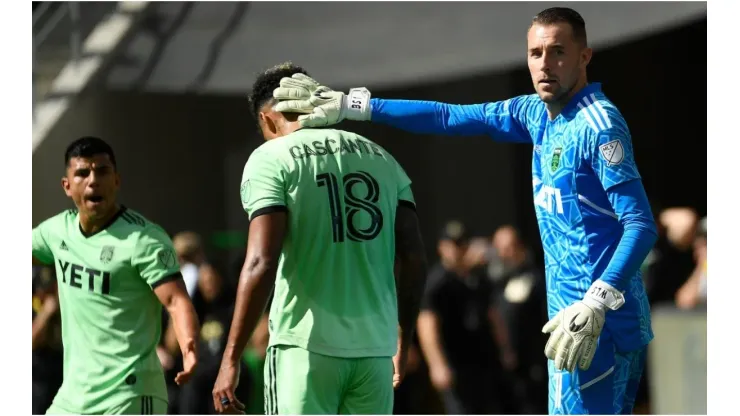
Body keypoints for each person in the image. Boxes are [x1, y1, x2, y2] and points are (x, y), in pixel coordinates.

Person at [271, 7, 658, 415]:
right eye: (535, 53)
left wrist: (595, 301)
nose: (545, 64)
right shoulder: (535, 114)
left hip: (594, 324)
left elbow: (640, 223)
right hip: (581, 321)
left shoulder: (599, 124)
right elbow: (449, 116)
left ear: (584, 57)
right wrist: (353, 104)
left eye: (558, 51)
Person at [211, 62, 428, 415]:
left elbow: (260, 260)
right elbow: (414, 258)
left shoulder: (271, 157)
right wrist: (404, 340)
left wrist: (230, 358)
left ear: (267, 120)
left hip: (306, 349)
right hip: (374, 351)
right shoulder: (384, 159)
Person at [32, 136, 200, 415]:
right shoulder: (56, 232)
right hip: (74, 397)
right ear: (67, 185)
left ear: (117, 180)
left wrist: (189, 348)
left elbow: (176, 302)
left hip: (130, 395)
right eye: (83, 173)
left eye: (102, 171)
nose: (93, 180)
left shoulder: (145, 239)